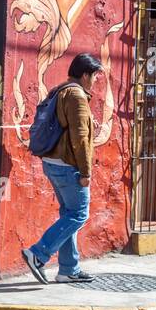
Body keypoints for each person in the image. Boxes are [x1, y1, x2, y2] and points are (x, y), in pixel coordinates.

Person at [22, 53, 102, 284]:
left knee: (68, 214)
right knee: (79, 214)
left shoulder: (61, 90)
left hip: (53, 163)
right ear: (85, 75)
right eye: (94, 76)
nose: (95, 81)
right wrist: (86, 172)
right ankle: (38, 254)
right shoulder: (76, 96)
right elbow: (80, 138)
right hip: (69, 167)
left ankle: (68, 269)